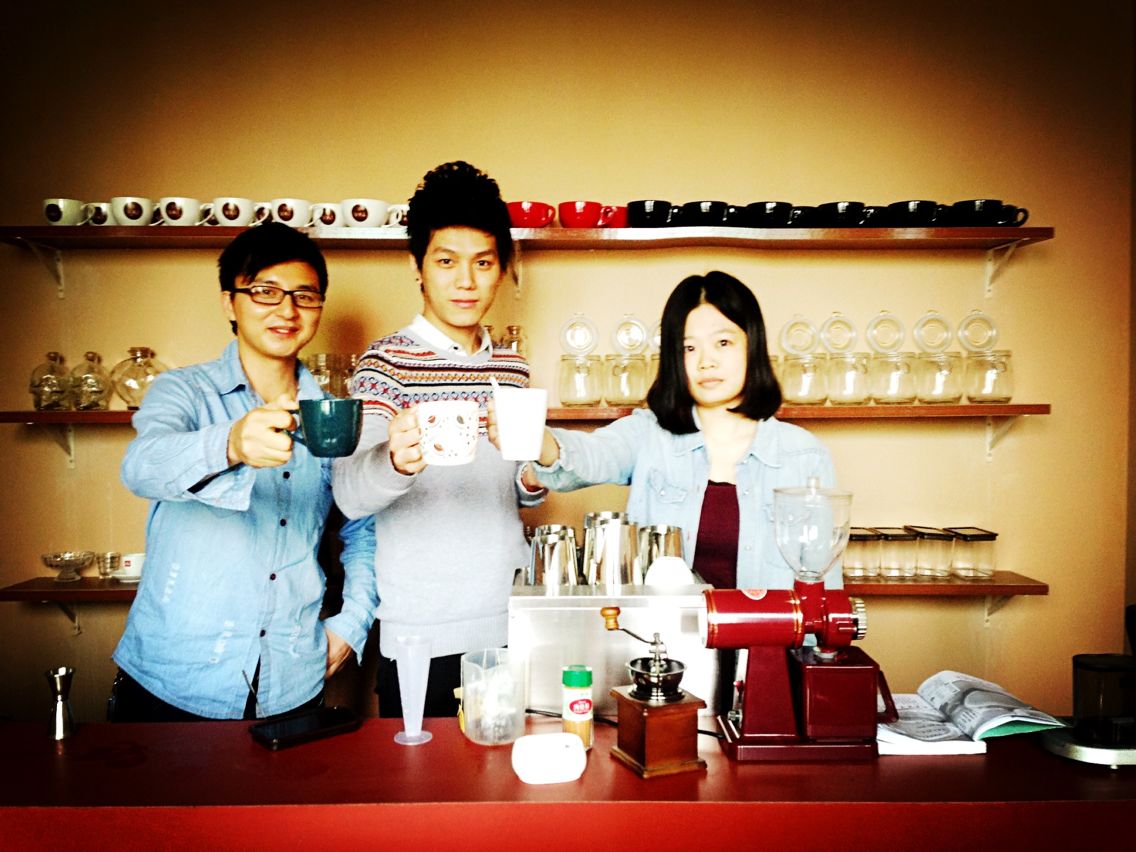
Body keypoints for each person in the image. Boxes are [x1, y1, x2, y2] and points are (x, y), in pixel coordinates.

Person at [109, 222, 377, 722]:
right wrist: (230, 444)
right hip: (175, 676)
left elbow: (362, 527)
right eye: (265, 292)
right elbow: (141, 467)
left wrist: (352, 624)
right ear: (230, 303)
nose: (287, 310)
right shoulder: (183, 391)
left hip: (292, 678)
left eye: (304, 296)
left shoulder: (331, 413)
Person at [333, 161, 545, 718]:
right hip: (419, 630)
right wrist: (395, 461)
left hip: (511, 618)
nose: (466, 281)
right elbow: (350, 493)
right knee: (421, 772)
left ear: (503, 268)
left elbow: (518, 492)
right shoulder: (385, 363)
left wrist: (532, 474)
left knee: (509, 768)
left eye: (483, 262)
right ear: (417, 267)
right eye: (447, 261)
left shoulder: (512, 368)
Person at [506, 270, 839, 592]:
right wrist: (539, 441)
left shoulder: (804, 455)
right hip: (665, 632)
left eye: (723, 342)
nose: (706, 361)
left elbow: (826, 583)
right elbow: (592, 455)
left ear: (752, 345)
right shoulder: (649, 434)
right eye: (688, 348)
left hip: (771, 634)